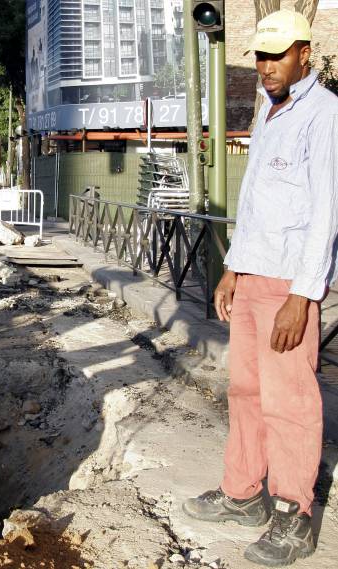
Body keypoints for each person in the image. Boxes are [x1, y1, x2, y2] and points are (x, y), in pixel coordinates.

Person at [182, 10, 338, 567]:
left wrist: (303, 294)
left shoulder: (325, 115)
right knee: (246, 393)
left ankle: (296, 514)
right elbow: (255, 203)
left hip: (288, 286)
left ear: (305, 52)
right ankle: (243, 492)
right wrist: (233, 268)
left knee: (290, 402)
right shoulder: (270, 112)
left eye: (277, 55)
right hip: (252, 279)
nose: (267, 66)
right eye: (261, 56)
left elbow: (326, 213)